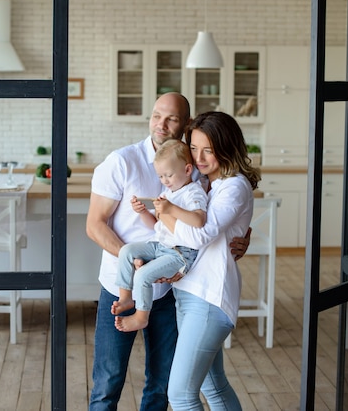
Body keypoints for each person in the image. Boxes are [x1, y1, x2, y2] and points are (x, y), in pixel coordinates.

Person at [86, 92, 251, 411]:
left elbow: (221, 212)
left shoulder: (197, 168)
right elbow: (94, 225)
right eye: (157, 115)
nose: (162, 124)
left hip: (173, 288)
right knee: (108, 382)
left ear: (186, 124)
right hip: (122, 286)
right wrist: (133, 261)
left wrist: (243, 234)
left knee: (161, 386)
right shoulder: (122, 162)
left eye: (172, 118)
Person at [163, 111, 261, 410]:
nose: (200, 157)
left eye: (209, 149)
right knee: (214, 387)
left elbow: (198, 236)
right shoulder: (207, 182)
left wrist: (163, 214)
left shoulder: (233, 186)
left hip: (209, 297)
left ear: (227, 146)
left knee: (180, 395)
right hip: (191, 293)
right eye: (194, 148)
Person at [112, 139, 207, 332]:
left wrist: (170, 208)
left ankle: (141, 317)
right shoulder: (168, 192)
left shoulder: (193, 193)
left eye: (168, 175)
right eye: (160, 176)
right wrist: (142, 212)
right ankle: (126, 297)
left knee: (144, 275)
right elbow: (157, 225)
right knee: (127, 250)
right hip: (160, 245)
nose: (164, 181)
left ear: (188, 170)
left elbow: (199, 220)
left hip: (179, 254)